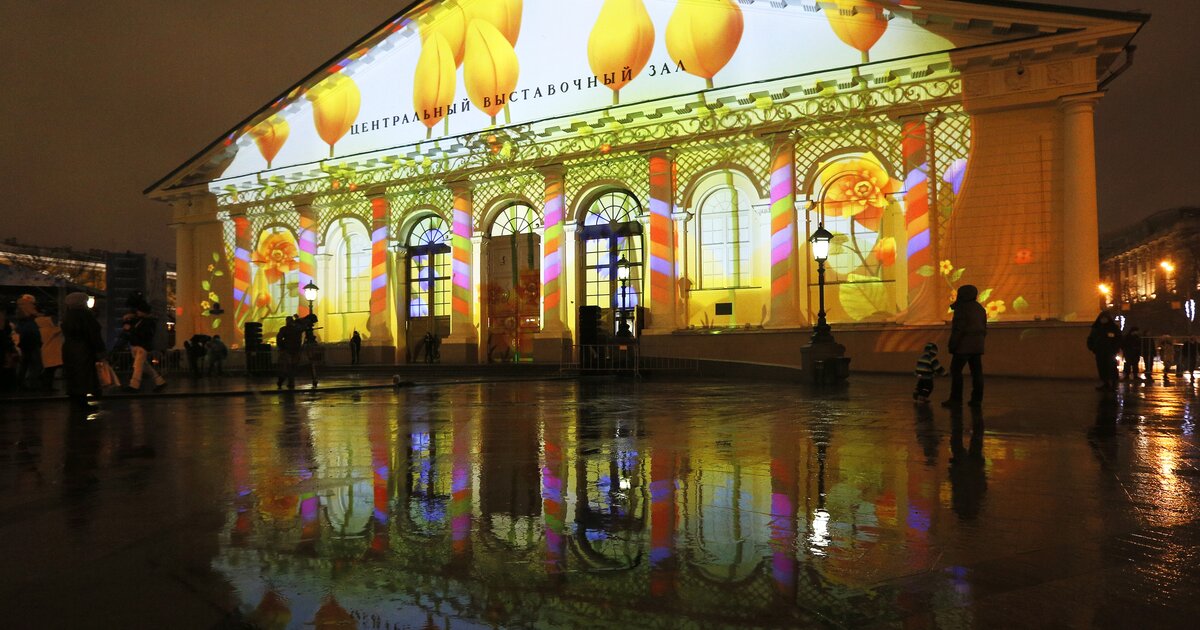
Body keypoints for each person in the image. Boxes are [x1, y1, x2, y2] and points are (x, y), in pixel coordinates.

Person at [942, 285, 987, 408]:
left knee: (956, 371)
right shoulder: (980, 309)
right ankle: (977, 399)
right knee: (977, 373)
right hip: (977, 346)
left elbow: (958, 329)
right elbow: (984, 328)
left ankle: (956, 399)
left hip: (963, 346)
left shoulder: (961, 309)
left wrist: (952, 344)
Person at [59, 292, 105, 411]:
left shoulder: (67, 316)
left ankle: (75, 400)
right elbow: (93, 334)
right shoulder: (85, 316)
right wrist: (100, 350)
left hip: (69, 349)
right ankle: (82, 402)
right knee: (84, 375)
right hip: (84, 350)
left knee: (73, 375)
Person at [124, 299, 166, 392]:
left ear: (144, 312)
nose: (137, 312)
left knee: (138, 366)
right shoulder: (143, 321)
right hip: (138, 345)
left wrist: (130, 329)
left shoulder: (148, 322)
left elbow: (144, 334)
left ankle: (134, 385)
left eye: (139, 311)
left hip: (141, 346)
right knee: (144, 366)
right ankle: (160, 381)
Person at [13, 294, 43, 390]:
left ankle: (21, 383)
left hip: (25, 342)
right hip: (32, 341)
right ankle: (33, 384)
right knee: (36, 364)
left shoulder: (20, 312)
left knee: (24, 364)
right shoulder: (29, 314)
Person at [1087, 310, 1122, 391]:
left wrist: (1115, 348)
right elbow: (1091, 338)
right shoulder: (1096, 328)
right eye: (1102, 318)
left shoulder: (1113, 328)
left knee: (1111, 367)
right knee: (1102, 367)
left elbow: (1118, 338)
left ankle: (1113, 383)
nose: (1103, 320)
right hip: (1100, 351)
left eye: (1105, 318)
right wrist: (1093, 347)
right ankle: (1105, 383)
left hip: (1110, 351)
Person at [36, 307, 64, 391]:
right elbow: (61, 328)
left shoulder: (41, 328)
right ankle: (47, 386)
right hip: (52, 352)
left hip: (45, 351)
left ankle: (46, 386)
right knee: (50, 370)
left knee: (49, 370)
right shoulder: (53, 329)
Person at [276, 317, 303, 390]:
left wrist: (281, 347)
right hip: (296, 350)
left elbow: (279, 339)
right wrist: (298, 320)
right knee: (292, 367)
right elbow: (303, 326)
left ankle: (282, 380)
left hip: (287, 350)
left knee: (286, 367)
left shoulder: (284, 329)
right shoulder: (297, 329)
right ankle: (290, 382)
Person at [0, 310, 19, 392]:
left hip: (5, 353)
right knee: (8, 370)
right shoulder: (4, 333)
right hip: (5, 354)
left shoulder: (3, 332)